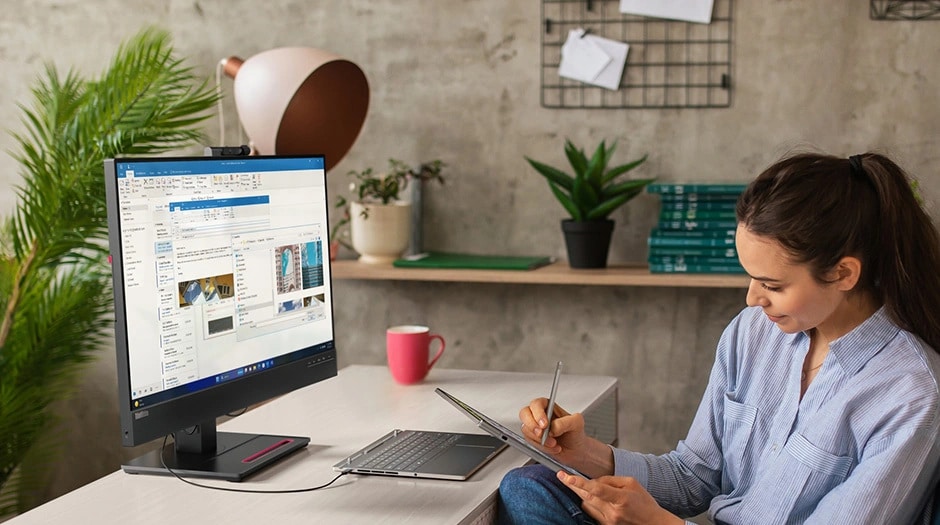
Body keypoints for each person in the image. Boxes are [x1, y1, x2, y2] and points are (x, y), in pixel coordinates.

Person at [498, 151, 940, 524]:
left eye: (772, 284)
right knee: (528, 485)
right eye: (749, 278)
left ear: (843, 273)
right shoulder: (752, 336)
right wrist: (586, 455)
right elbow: (694, 477)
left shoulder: (910, 393)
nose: (752, 300)